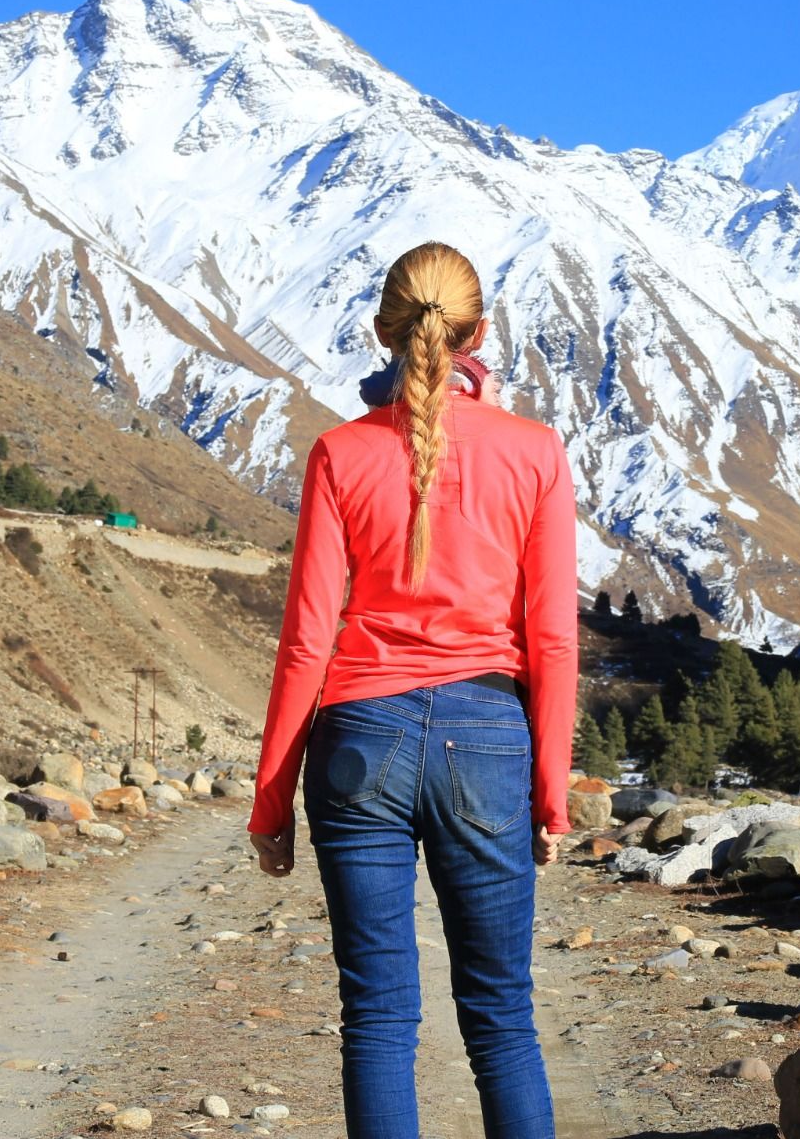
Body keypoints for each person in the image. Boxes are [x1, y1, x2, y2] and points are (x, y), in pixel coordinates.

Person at [247, 241, 577, 1138]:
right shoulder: (536, 452)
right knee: (503, 1020)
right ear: (479, 329)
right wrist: (552, 795)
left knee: (380, 1020)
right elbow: (550, 637)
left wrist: (270, 802)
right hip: (489, 740)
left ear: (383, 330)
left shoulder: (338, 454)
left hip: (359, 738)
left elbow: (307, 640)